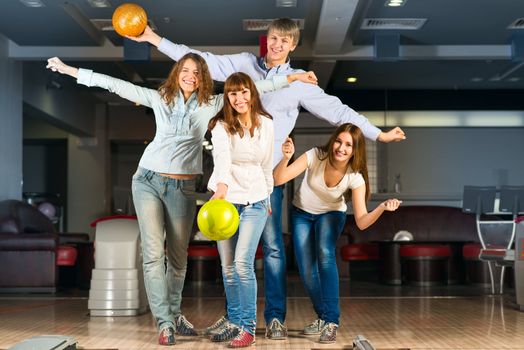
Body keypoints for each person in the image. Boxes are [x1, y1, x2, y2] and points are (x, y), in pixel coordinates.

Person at [129, 18, 406, 339]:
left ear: (292, 46)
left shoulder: (299, 84)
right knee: (228, 252)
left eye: (284, 42)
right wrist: (153, 38)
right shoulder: (245, 64)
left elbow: (340, 111)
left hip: (267, 180)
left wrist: (378, 135)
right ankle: (235, 317)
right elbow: (200, 59)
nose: (276, 45)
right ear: (267, 39)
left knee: (272, 248)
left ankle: (274, 318)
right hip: (231, 182)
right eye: (273, 38)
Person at [45, 55, 317, 346]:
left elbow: (256, 87)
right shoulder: (159, 98)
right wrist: (71, 70)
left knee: (177, 258)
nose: (190, 76)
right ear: (177, 74)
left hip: (184, 186)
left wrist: (292, 78)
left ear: (203, 79)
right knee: (152, 254)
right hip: (148, 179)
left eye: (197, 72)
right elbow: (115, 85)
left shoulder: (213, 104)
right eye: (185, 70)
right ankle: (165, 323)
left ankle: (176, 316)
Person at [273, 123, 402, 343]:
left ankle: (331, 321)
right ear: (333, 140)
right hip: (302, 213)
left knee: (325, 254)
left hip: (331, 214)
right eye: (339, 141)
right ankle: (323, 316)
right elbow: (278, 179)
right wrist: (286, 157)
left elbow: (361, 222)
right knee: (306, 271)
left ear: (355, 150)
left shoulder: (355, 177)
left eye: (348, 145)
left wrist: (381, 208)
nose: (341, 148)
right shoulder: (316, 155)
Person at [206, 72, 275, 348]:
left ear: (252, 93)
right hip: (226, 201)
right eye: (233, 93)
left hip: (257, 200)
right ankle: (234, 323)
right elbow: (222, 159)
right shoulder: (221, 127)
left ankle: (247, 328)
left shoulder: (267, 124)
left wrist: (268, 197)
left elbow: (267, 163)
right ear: (228, 98)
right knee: (228, 267)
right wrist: (221, 188)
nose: (239, 98)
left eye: (243, 91)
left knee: (242, 264)